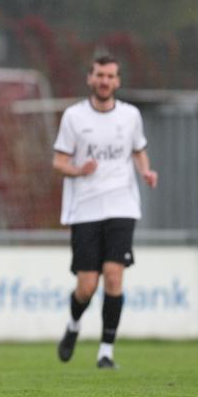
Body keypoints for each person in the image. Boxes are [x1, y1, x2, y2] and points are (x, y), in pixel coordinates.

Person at [53, 54, 157, 369]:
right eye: (100, 75)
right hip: (85, 208)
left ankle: (106, 351)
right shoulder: (73, 117)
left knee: (114, 277)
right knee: (87, 285)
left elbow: (139, 151)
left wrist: (146, 172)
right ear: (90, 78)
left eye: (110, 76)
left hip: (122, 205)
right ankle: (73, 325)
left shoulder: (130, 116)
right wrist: (78, 169)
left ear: (117, 81)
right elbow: (58, 162)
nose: (104, 81)